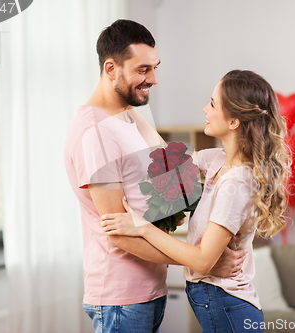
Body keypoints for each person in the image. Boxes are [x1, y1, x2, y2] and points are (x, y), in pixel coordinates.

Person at [64, 20, 246, 333]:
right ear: (111, 69)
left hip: (149, 290)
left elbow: (176, 182)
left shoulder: (131, 115)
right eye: (143, 70)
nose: (154, 79)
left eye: (155, 67)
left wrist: (166, 209)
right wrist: (206, 261)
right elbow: (119, 232)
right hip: (121, 298)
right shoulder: (96, 134)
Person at [101, 69, 291, 333]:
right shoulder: (217, 160)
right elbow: (163, 155)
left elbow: (203, 261)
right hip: (221, 305)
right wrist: (129, 106)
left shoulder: (236, 183)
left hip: (228, 308)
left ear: (234, 121)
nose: (205, 108)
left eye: (212, 103)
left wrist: (142, 227)